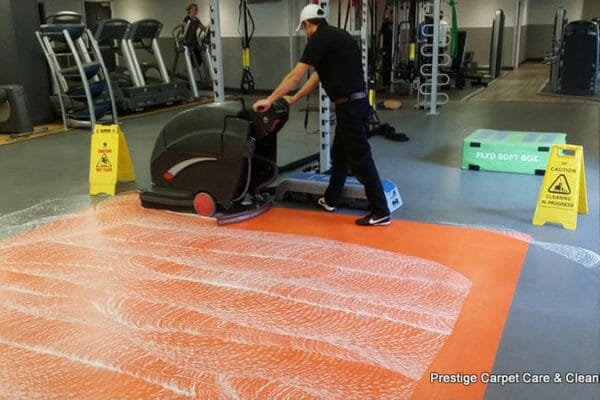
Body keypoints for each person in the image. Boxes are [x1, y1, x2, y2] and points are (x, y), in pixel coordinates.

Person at [253, 4, 391, 226]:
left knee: (360, 160)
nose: (305, 33)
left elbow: (295, 74)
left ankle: (380, 211)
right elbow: (317, 76)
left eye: (304, 28)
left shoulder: (319, 39)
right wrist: (294, 98)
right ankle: (330, 199)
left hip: (351, 107)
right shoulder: (338, 36)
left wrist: (268, 100)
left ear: (308, 25)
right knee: (339, 155)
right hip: (353, 105)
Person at [182, 3, 207, 67]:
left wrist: (209, 29)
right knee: (191, 59)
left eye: (196, 10)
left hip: (194, 41)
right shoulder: (186, 19)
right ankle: (191, 71)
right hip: (188, 41)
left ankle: (195, 72)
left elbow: (203, 28)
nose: (195, 11)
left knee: (199, 59)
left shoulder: (196, 19)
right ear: (190, 10)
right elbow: (184, 30)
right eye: (194, 10)